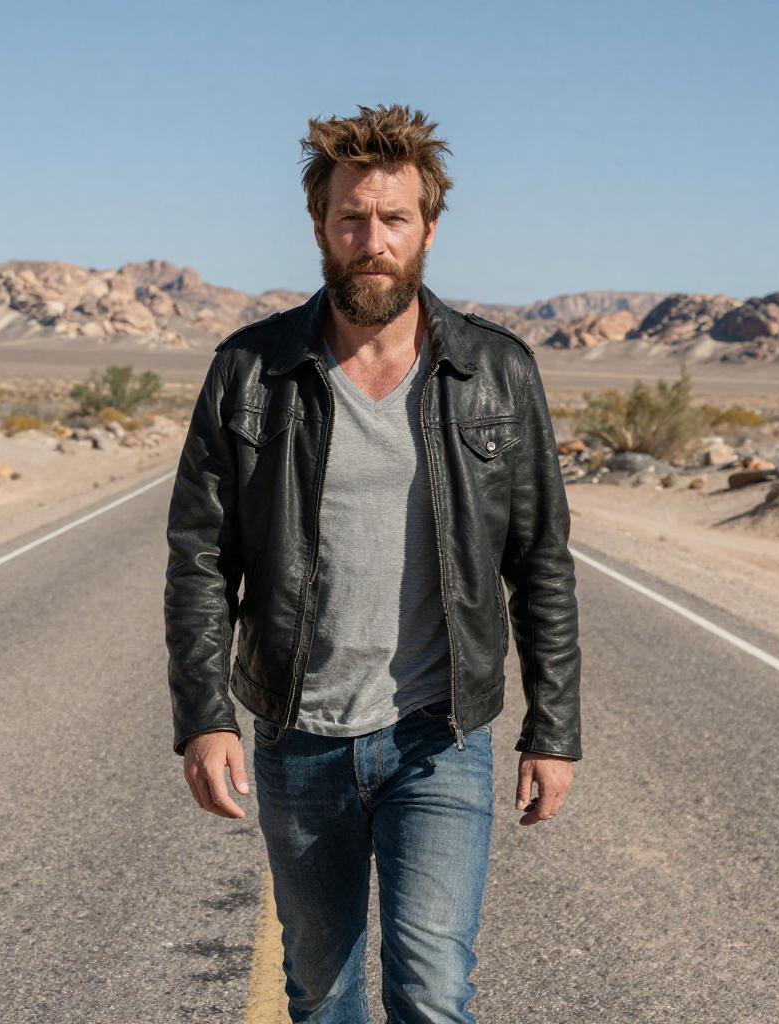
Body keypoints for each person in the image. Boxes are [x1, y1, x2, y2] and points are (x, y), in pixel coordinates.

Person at [164, 103, 582, 1023]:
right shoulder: (250, 370)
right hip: (298, 736)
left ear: (429, 228)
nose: (372, 239)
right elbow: (199, 558)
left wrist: (555, 727)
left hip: (439, 737)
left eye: (394, 218)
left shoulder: (495, 372)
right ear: (320, 226)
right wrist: (205, 717)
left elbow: (541, 561)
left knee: (432, 993)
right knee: (322, 996)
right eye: (352, 218)